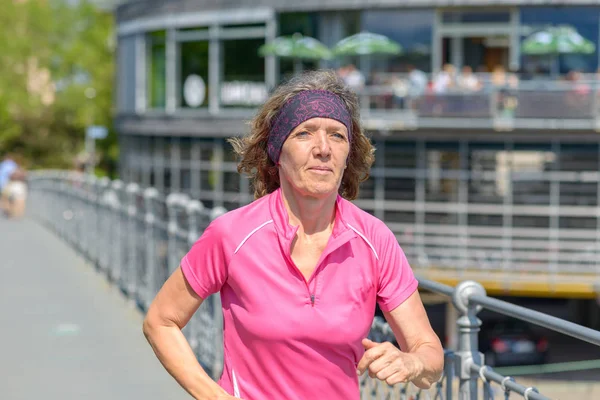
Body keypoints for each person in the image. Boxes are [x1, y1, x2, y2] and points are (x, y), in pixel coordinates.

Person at [142, 70, 444, 400]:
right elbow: (161, 321)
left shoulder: (375, 240)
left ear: (348, 156)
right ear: (277, 152)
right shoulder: (232, 234)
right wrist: (214, 397)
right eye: (304, 134)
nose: (323, 148)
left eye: (337, 136)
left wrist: (412, 362)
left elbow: (430, 356)